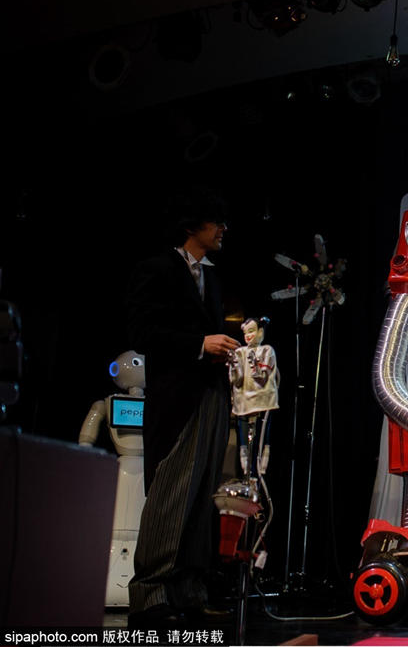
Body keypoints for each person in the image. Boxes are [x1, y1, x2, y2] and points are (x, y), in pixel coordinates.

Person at [126, 188, 240, 627]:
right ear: (194, 226)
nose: (223, 230)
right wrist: (199, 344)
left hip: (210, 394)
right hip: (176, 397)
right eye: (217, 223)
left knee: (202, 493)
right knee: (172, 491)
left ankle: (189, 590)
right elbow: (142, 332)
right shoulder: (156, 269)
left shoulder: (211, 277)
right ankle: (149, 592)